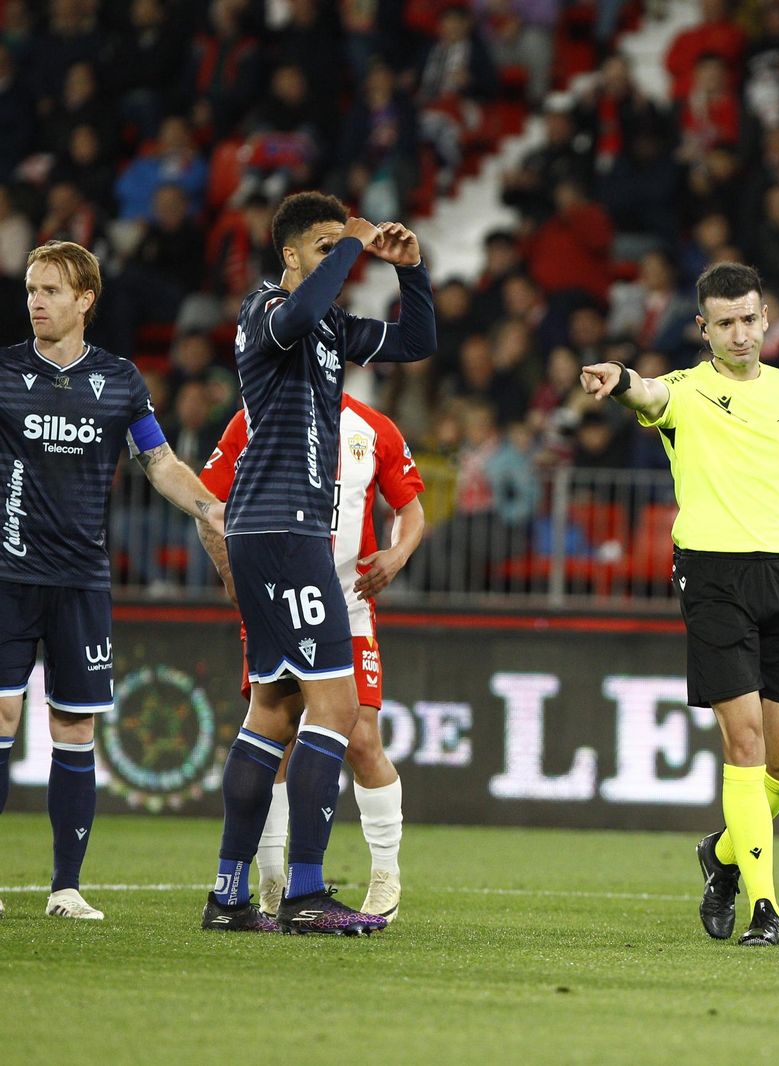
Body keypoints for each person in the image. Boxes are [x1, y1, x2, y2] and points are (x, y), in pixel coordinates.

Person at [581, 262, 779, 948]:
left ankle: (723, 856)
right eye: (724, 322)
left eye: (749, 318)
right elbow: (648, 393)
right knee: (745, 741)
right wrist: (619, 379)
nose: (740, 333)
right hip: (712, 577)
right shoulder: (689, 391)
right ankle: (765, 910)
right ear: (704, 329)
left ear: (766, 319)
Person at [198, 192, 435, 935]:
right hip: (283, 528)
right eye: (324, 244)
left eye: (341, 243)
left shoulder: (329, 326)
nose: (339, 253)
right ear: (291, 254)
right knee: (334, 710)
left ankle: (230, 896)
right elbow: (299, 316)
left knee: (272, 709)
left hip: (274, 532)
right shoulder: (266, 309)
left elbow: (415, 341)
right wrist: (354, 244)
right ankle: (304, 893)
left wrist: (413, 270)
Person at [0, 240, 224, 921]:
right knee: (3, 715)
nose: (36, 301)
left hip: (82, 582)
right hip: (8, 575)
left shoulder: (121, 380)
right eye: (32, 289)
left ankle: (66, 888)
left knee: (74, 729)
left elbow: (158, 463)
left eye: (51, 291)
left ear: (86, 299)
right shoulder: (5, 371)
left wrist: (211, 505)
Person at [200, 392, 425, 921]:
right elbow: (209, 502)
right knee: (276, 731)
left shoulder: (373, 427)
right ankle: (277, 880)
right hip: (278, 600)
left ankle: (386, 874)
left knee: (362, 737)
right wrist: (231, 573)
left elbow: (411, 508)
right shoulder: (252, 417)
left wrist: (396, 554)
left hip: (348, 605)